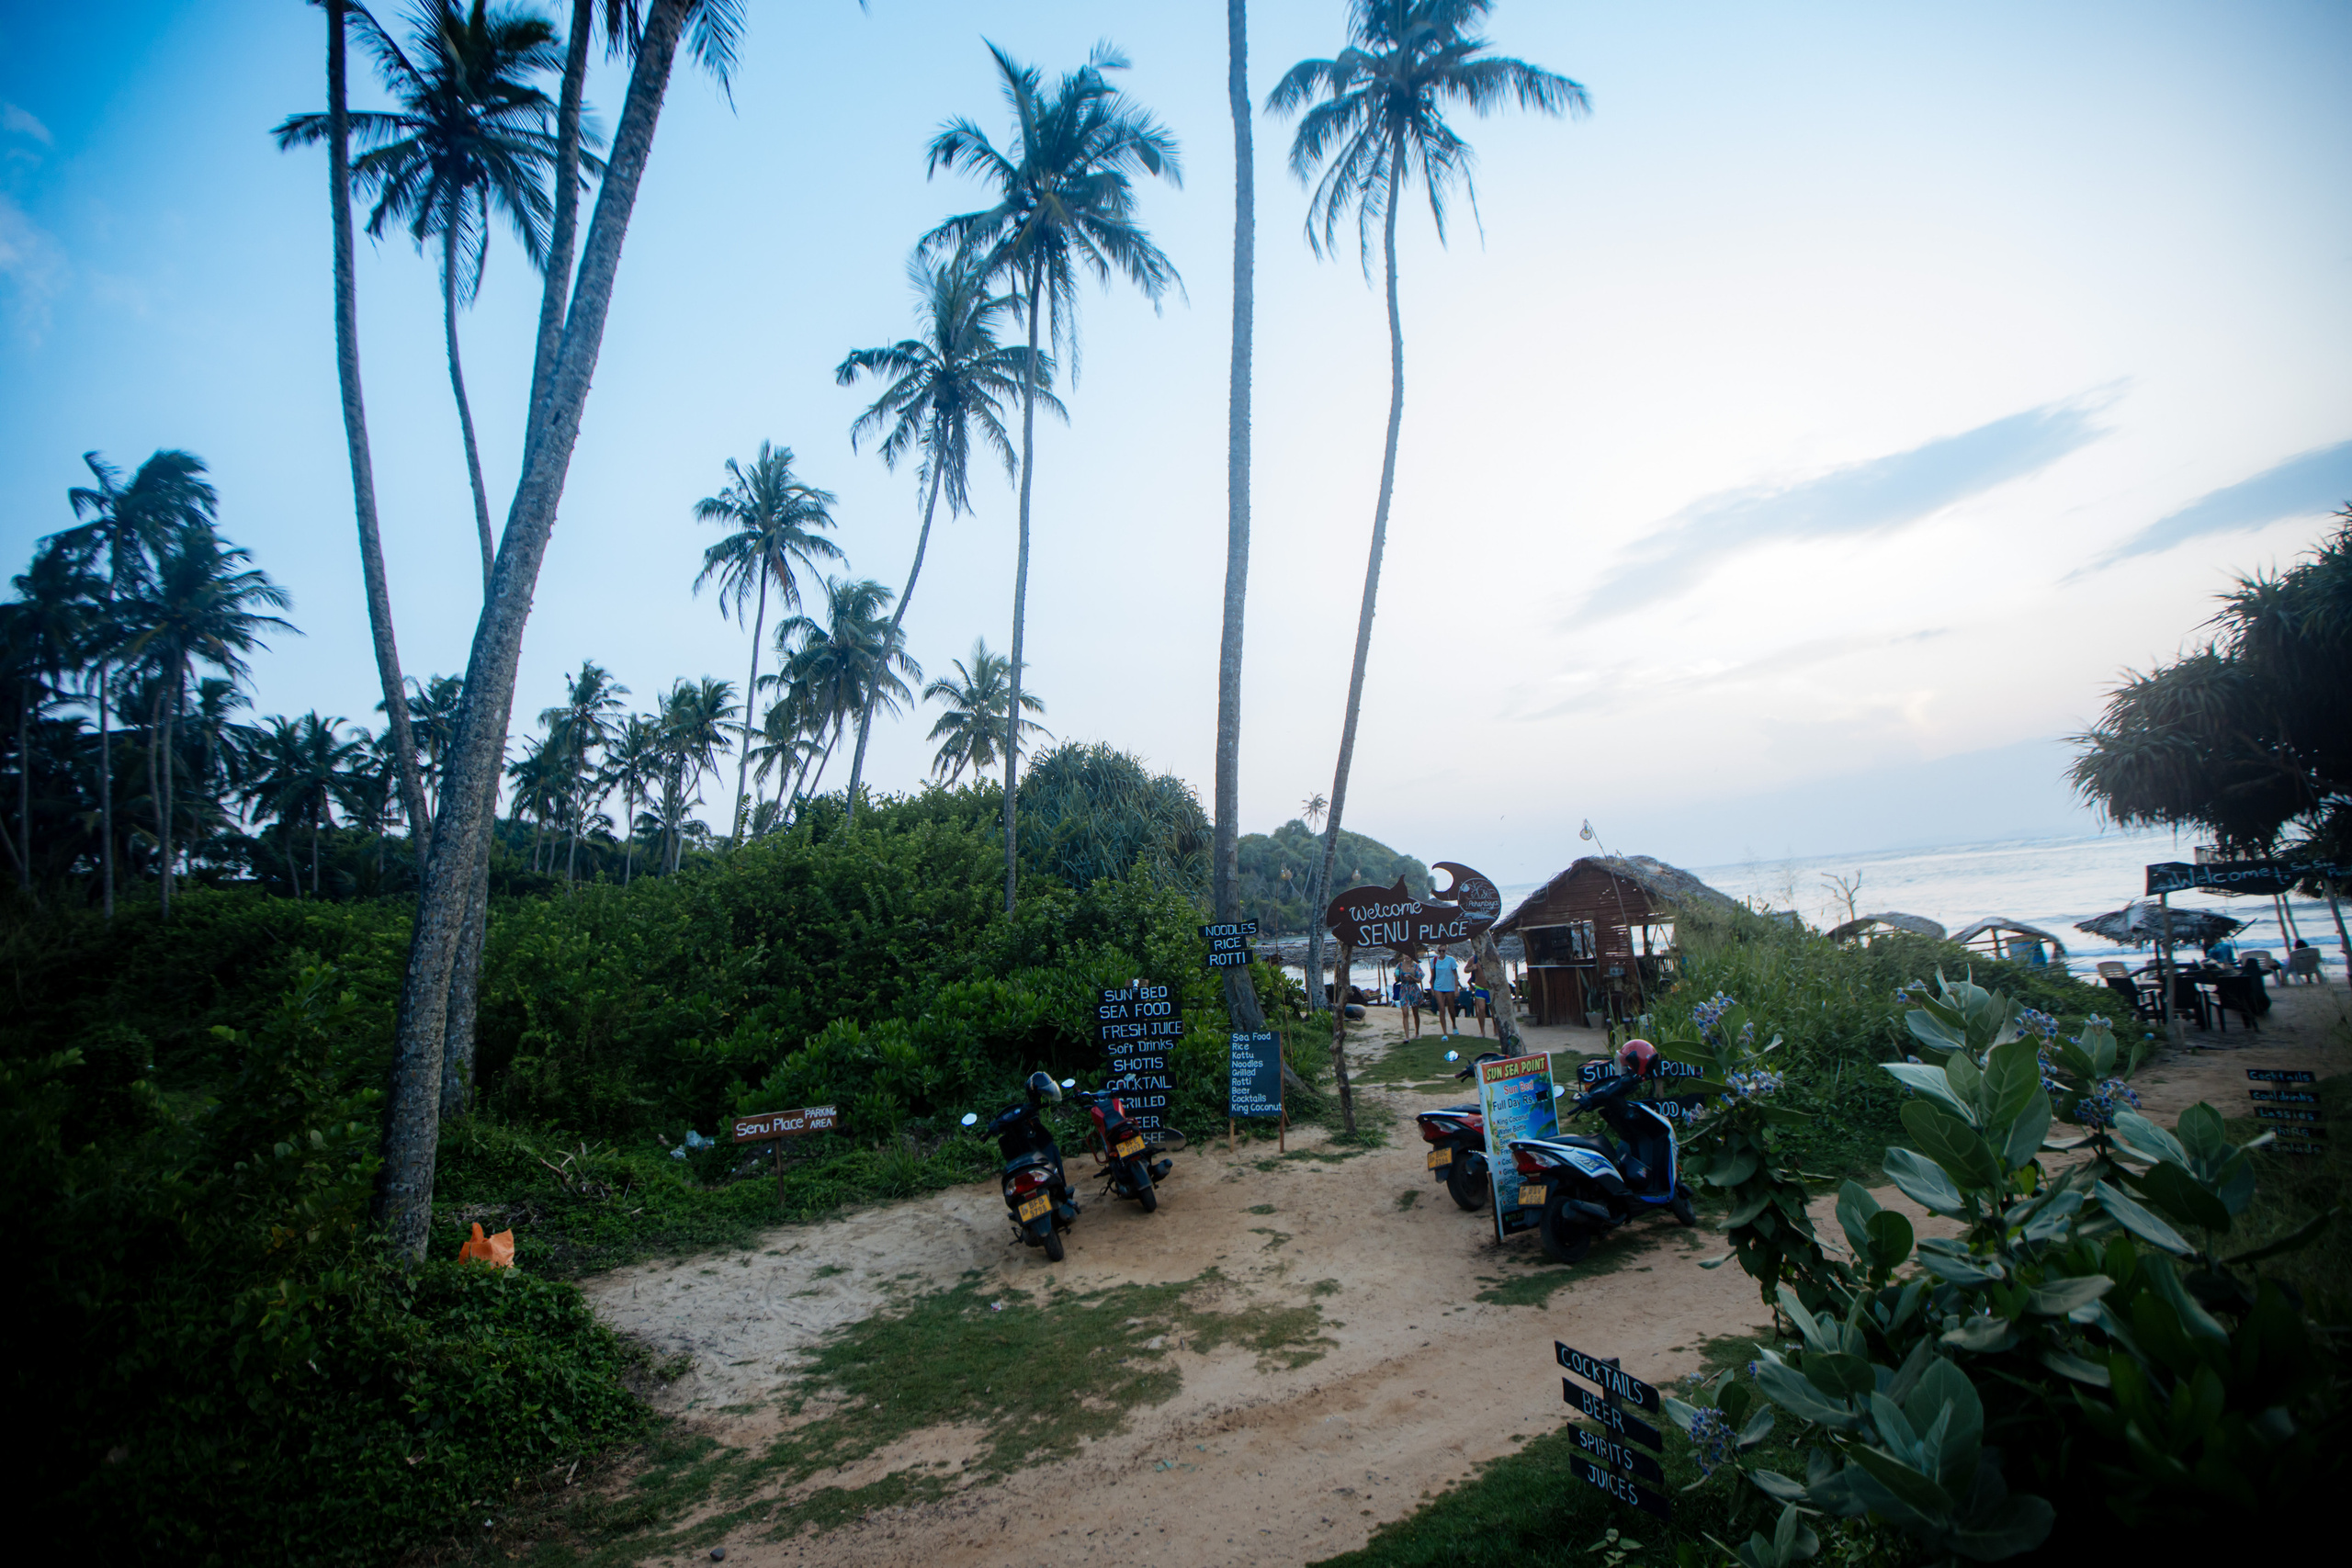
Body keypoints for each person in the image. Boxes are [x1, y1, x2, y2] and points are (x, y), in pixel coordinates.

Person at [1429, 946, 1461, 1035]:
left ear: (1446, 950)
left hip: (1449, 986)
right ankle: (1445, 1032)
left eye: (1443, 951)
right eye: (1440, 951)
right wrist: (1431, 987)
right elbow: (1433, 975)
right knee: (1441, 1009)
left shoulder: (1451, 960)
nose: (1442, 952)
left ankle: (1454, 1025)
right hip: (1438, 986)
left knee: (1451, 1008)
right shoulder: (1434, 960)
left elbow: (1455, 974)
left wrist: (1456, 988)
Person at [1396, 950, 1424, 1039]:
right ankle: (1407, 1036)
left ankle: (1417, 1032)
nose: (1407, 956)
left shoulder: (1416, 966)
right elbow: (1397, 979)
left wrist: (1411, 976)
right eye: (1405, 954)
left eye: (1408, 954)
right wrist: (1398, 977)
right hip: (1404, 989)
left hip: (1413, 989)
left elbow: (1419, 980)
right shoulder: (1399, 966)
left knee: (1415, 1012)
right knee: (1405, 1013)